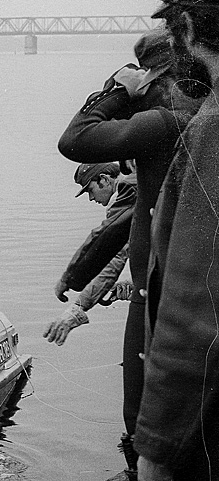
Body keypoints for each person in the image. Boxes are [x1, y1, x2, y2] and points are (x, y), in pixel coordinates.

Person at [56, 27, 204, 480]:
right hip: (162, 288)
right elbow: (130, 220)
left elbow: (74, 139)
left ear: (157, 77)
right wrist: (79, 278)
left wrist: (116, 90)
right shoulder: (186, 123)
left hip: (162, 294)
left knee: (145, 412)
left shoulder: (166, 122)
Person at [135, 2, 219, 480]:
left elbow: (194, 311)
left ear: (186, 27)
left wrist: (155, 445)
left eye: (169, 31)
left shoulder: (210, 128)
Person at [44, 162, 136, 346]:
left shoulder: (129, 192)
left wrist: (77, 305)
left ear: (104, 180)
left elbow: (114, 257)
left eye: (90, 190)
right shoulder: (136, 189)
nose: (91, 198)